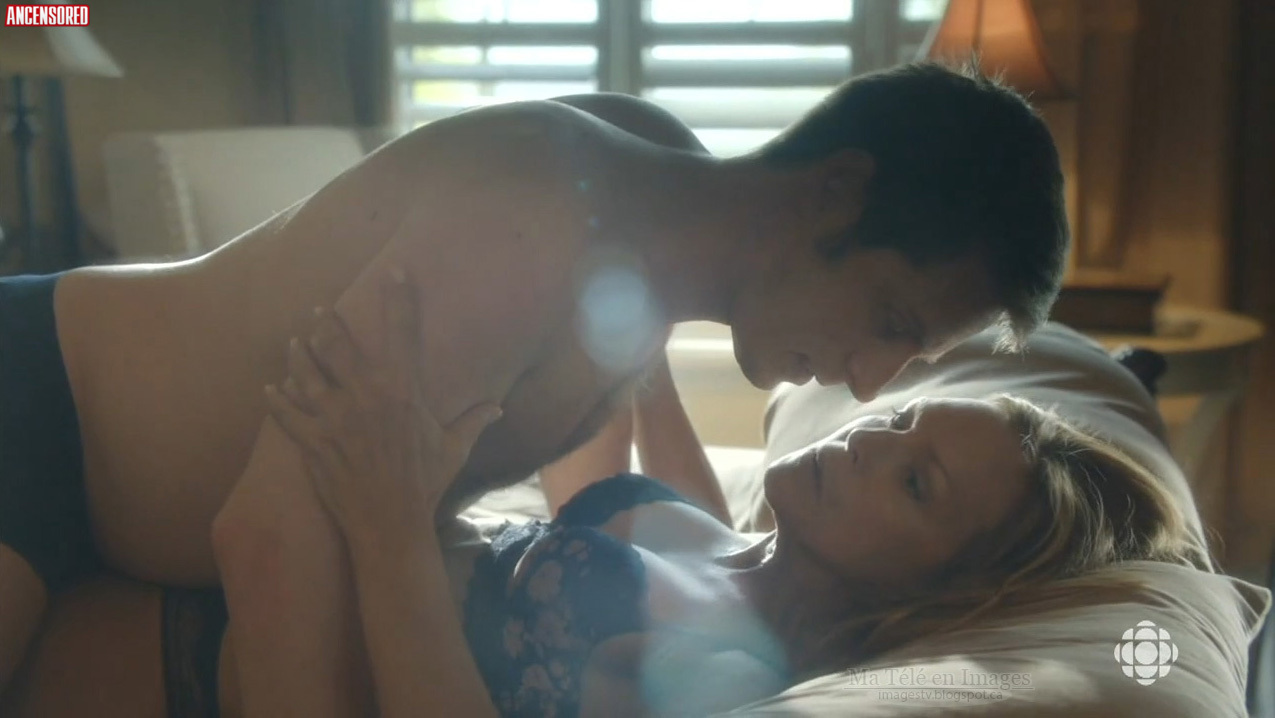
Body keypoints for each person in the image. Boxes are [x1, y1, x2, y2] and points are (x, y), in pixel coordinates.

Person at [0, 60, 1069, 710]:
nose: (869, 381)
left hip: (133, 540)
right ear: (837, 192)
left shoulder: (657, 217)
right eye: (890, 321)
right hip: (42, 411)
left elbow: (593, 481)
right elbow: (270, 536)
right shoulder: (539, 220)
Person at [2, 276, 1204, 717]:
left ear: (947, 586)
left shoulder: (728, 673)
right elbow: (602, 481)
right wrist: (636, 328)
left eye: (914, 477)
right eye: (898, 422)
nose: (866, 438)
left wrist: (386, 515)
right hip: (228, 547)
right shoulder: (728, 542)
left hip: (188, 656)